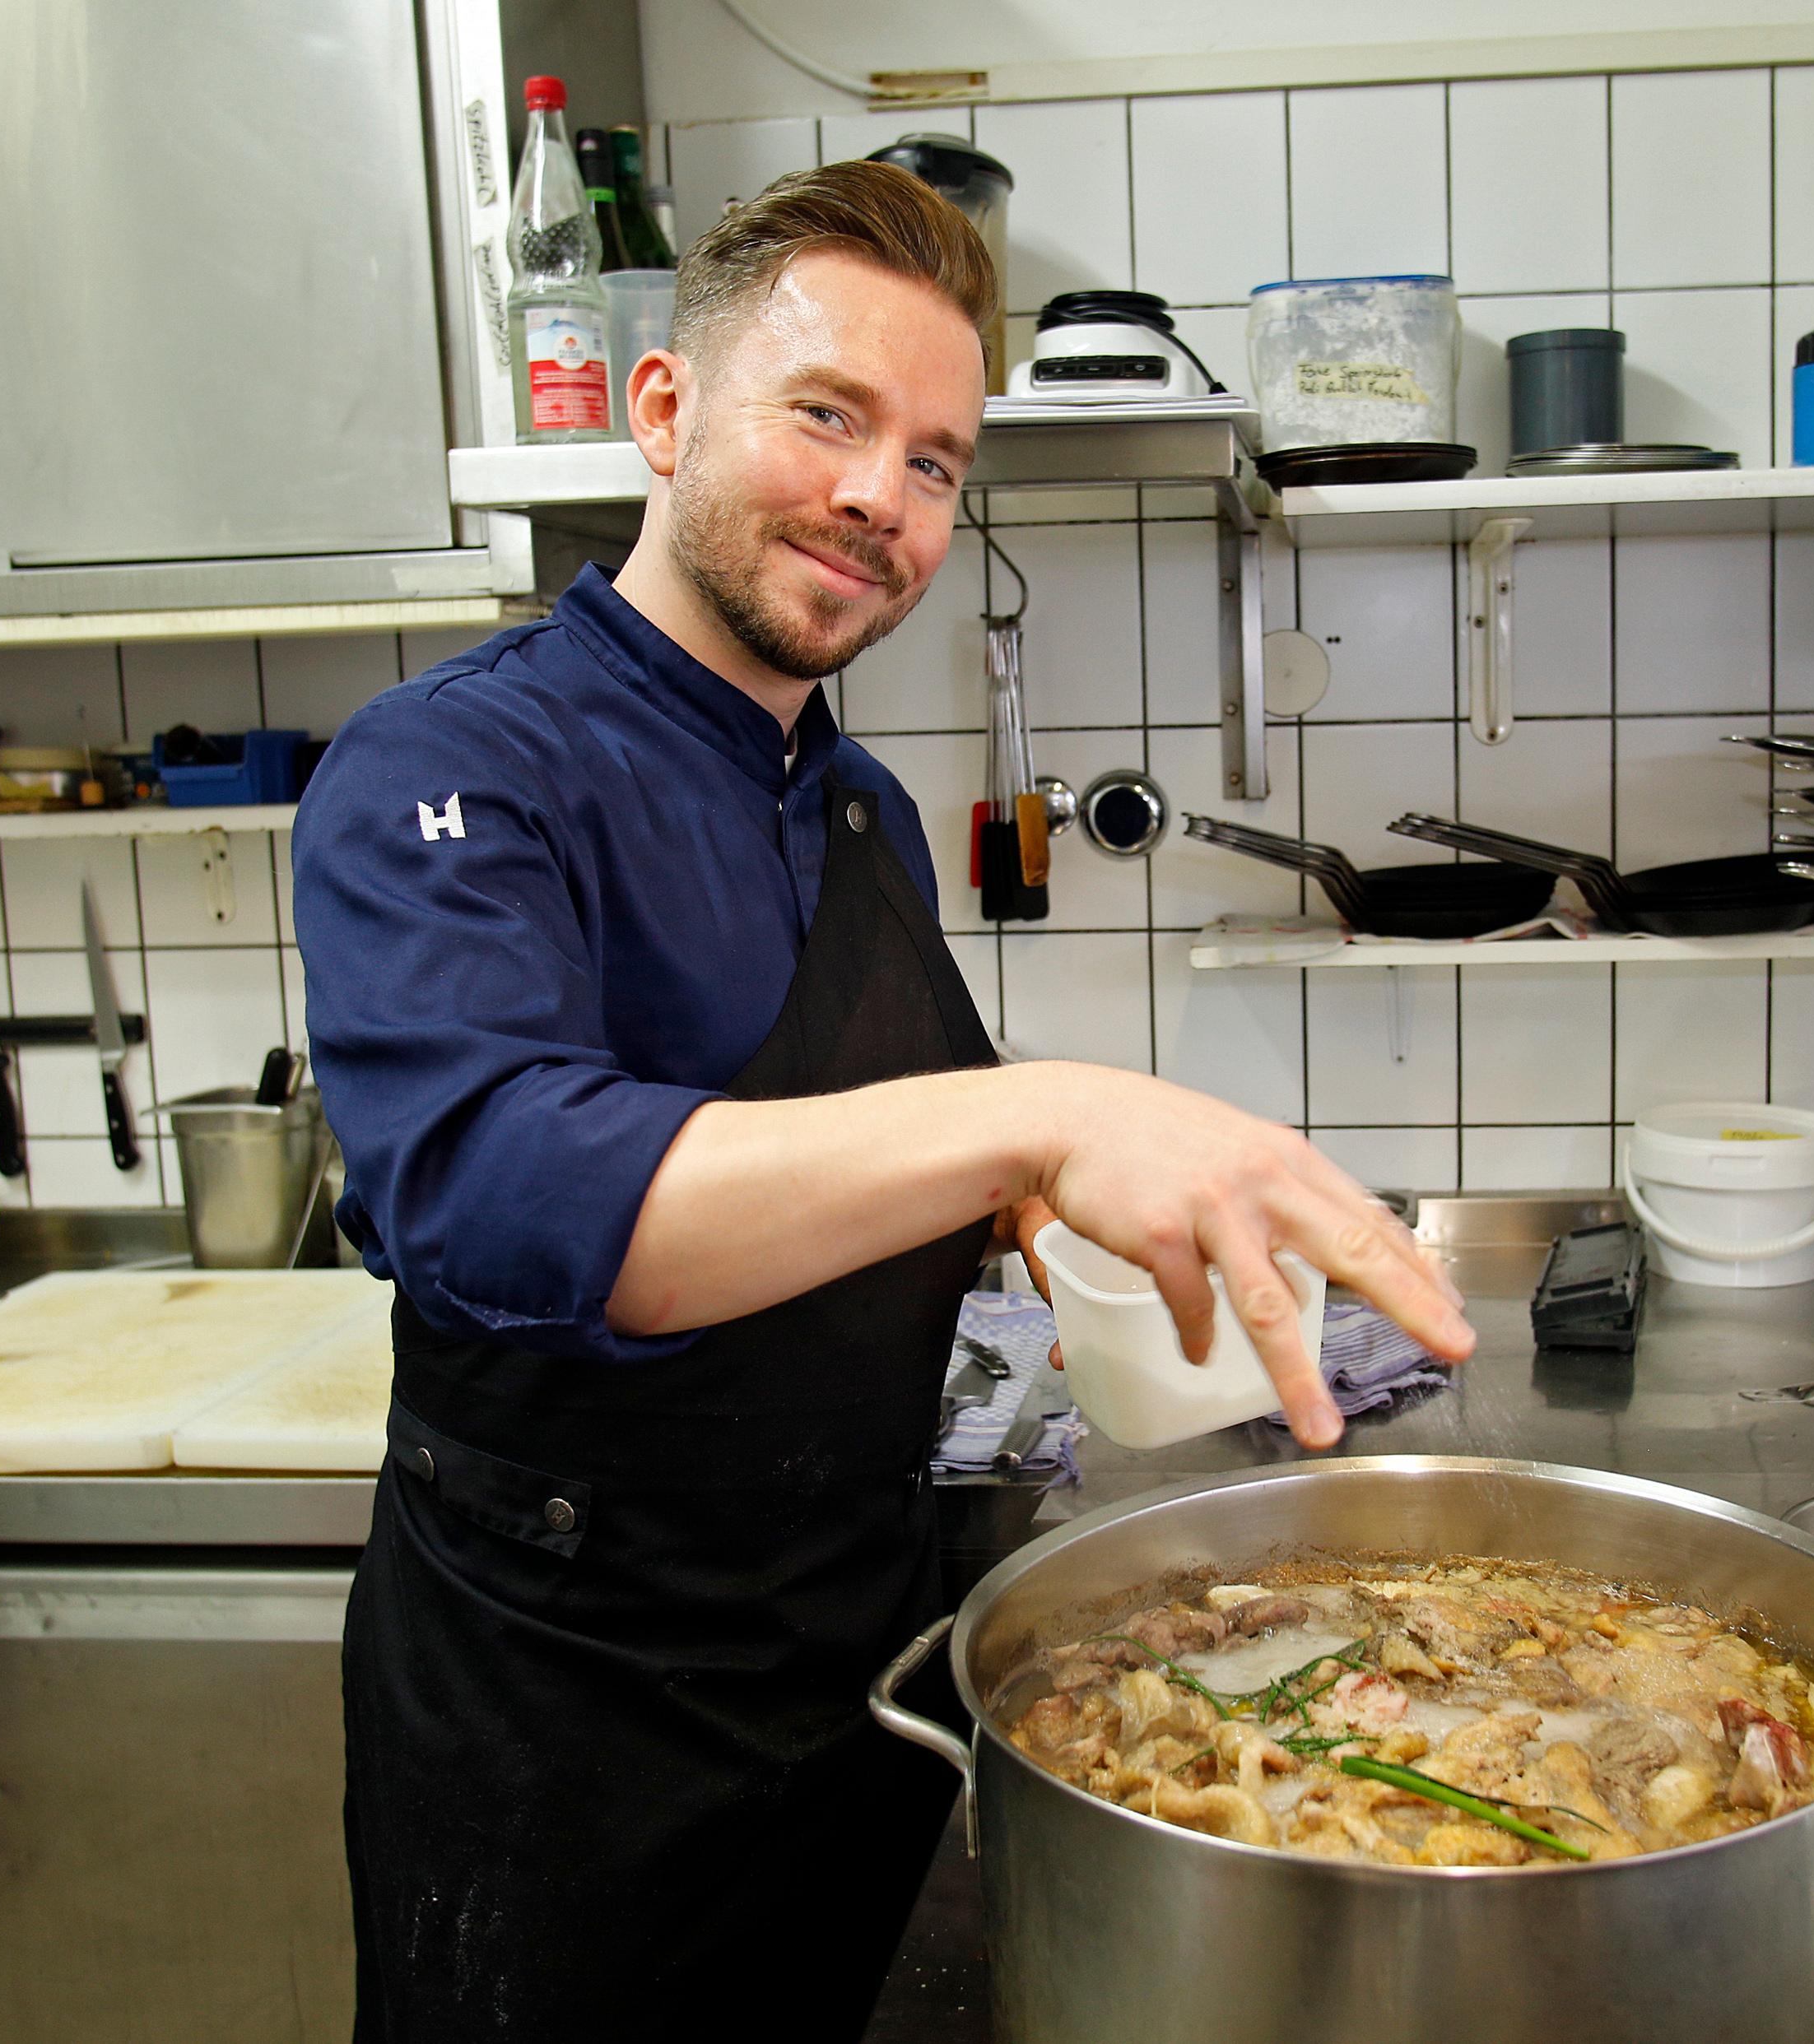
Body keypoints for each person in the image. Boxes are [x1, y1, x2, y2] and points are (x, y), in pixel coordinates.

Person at [291, 160, 1473, 2042]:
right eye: (828, 416)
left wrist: (1061, 1205)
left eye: (934, 460)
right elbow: (505, 1196)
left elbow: (895, 1136)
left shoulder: (858, 808)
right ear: (667, 413)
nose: (881, 499)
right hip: (565, 1740)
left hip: (850, 1686)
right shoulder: (452, 765)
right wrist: (1041, 1121)